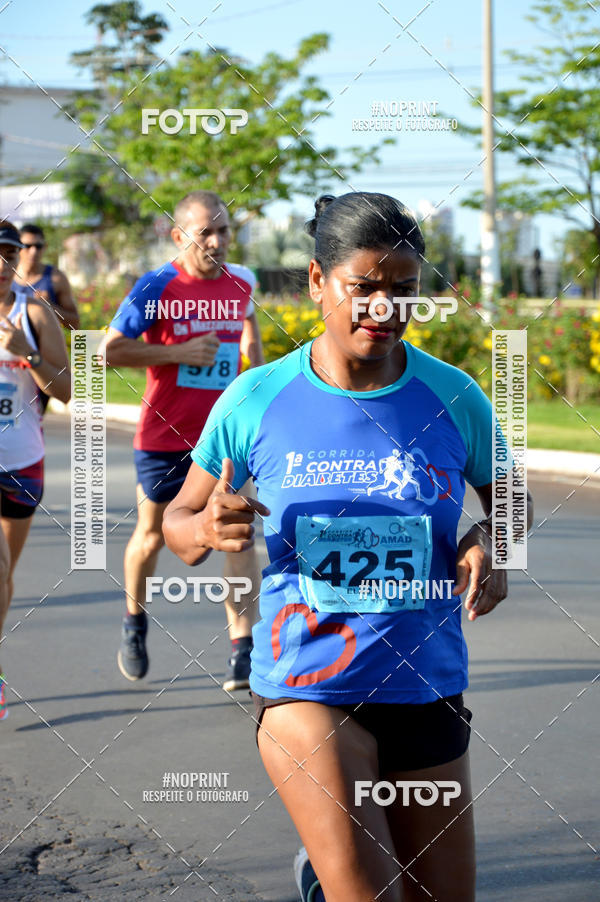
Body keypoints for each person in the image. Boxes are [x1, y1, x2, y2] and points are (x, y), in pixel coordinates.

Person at [163, 192, 534, 901]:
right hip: (308, 688)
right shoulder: (254, 398)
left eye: (403, 291)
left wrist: (494, 540)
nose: (384, 308)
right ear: (315, 281)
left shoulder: (452, 395)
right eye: (363, 287)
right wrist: (207, 528)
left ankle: (321, 881)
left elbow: (512, 498)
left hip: (425, 686)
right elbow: (178, 524)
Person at [104, 190, 263, 689]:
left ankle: (243, 646)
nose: (216, 241)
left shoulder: (243, 283)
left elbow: (249, 338)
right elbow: (109, 351)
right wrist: (179, 353)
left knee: (238, 533)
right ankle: (134, 622)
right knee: (152, 535)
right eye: (205, 233)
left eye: (224, 231)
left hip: (226, 439)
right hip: (164, 435)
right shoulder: (156, 286)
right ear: (179, 237)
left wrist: (256, 387)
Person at [0, 220, 71, 721]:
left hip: (23, 462)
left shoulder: (34, 311)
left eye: (9, 254)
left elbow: (67, 390)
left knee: (5, 577)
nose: (3, 265)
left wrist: (24, 354)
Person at [13, 223, 80, 331]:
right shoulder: (5, 275)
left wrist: (50, 307)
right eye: (27, 246)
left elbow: (75, 324)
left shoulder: (56, 278)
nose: (33, 251)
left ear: (45, 247)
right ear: (17, 246)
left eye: (38, 246)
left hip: (46, 346)